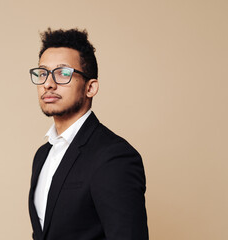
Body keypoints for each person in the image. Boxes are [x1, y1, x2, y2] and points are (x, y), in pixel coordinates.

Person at [28, 28, 148, 240]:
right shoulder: (42, 155)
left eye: (63, 73)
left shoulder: (114, 157)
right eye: (43, 72)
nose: (48, 83)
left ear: (90, 88)